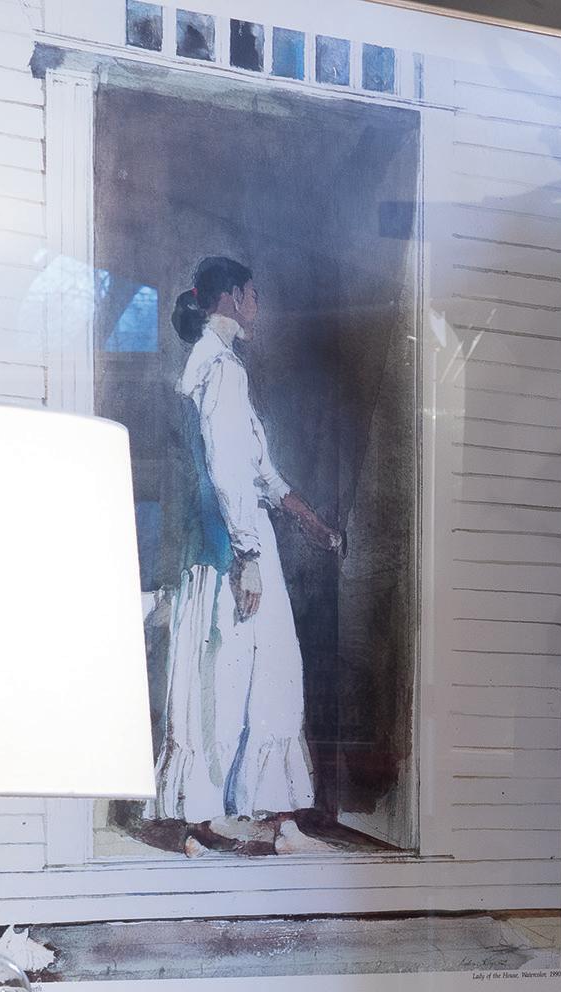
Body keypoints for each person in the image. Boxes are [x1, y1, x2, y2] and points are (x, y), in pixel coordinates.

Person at [154, 255, 344, 854]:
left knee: (217, 676)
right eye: (253, 294)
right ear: (233, 298)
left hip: (213, 549)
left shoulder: (206, 367)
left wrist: (312, 523)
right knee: (263, 674)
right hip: (232, 550)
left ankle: (207, 820)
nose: (258, 305)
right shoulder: (222, 372)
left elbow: (260, 470)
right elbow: (230, 470)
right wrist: (249, 554)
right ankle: (276, 824)